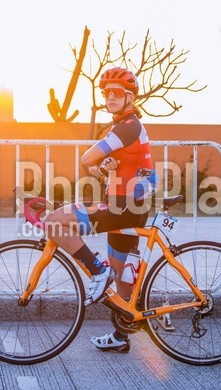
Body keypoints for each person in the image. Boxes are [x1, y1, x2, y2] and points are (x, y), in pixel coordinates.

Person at [42, 66, 157, 352]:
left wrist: (96, 163)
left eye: (116, 92)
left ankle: (96, 270)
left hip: (122, 208)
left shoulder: (127, 127)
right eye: (106, 93)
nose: (110, 97)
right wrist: (105, 168)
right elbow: (103, 167)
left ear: (131, 97)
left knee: (53, 221)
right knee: (121, 277)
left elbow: (87, 157)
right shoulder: (128, 127)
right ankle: (121, 335)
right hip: (127, 206)